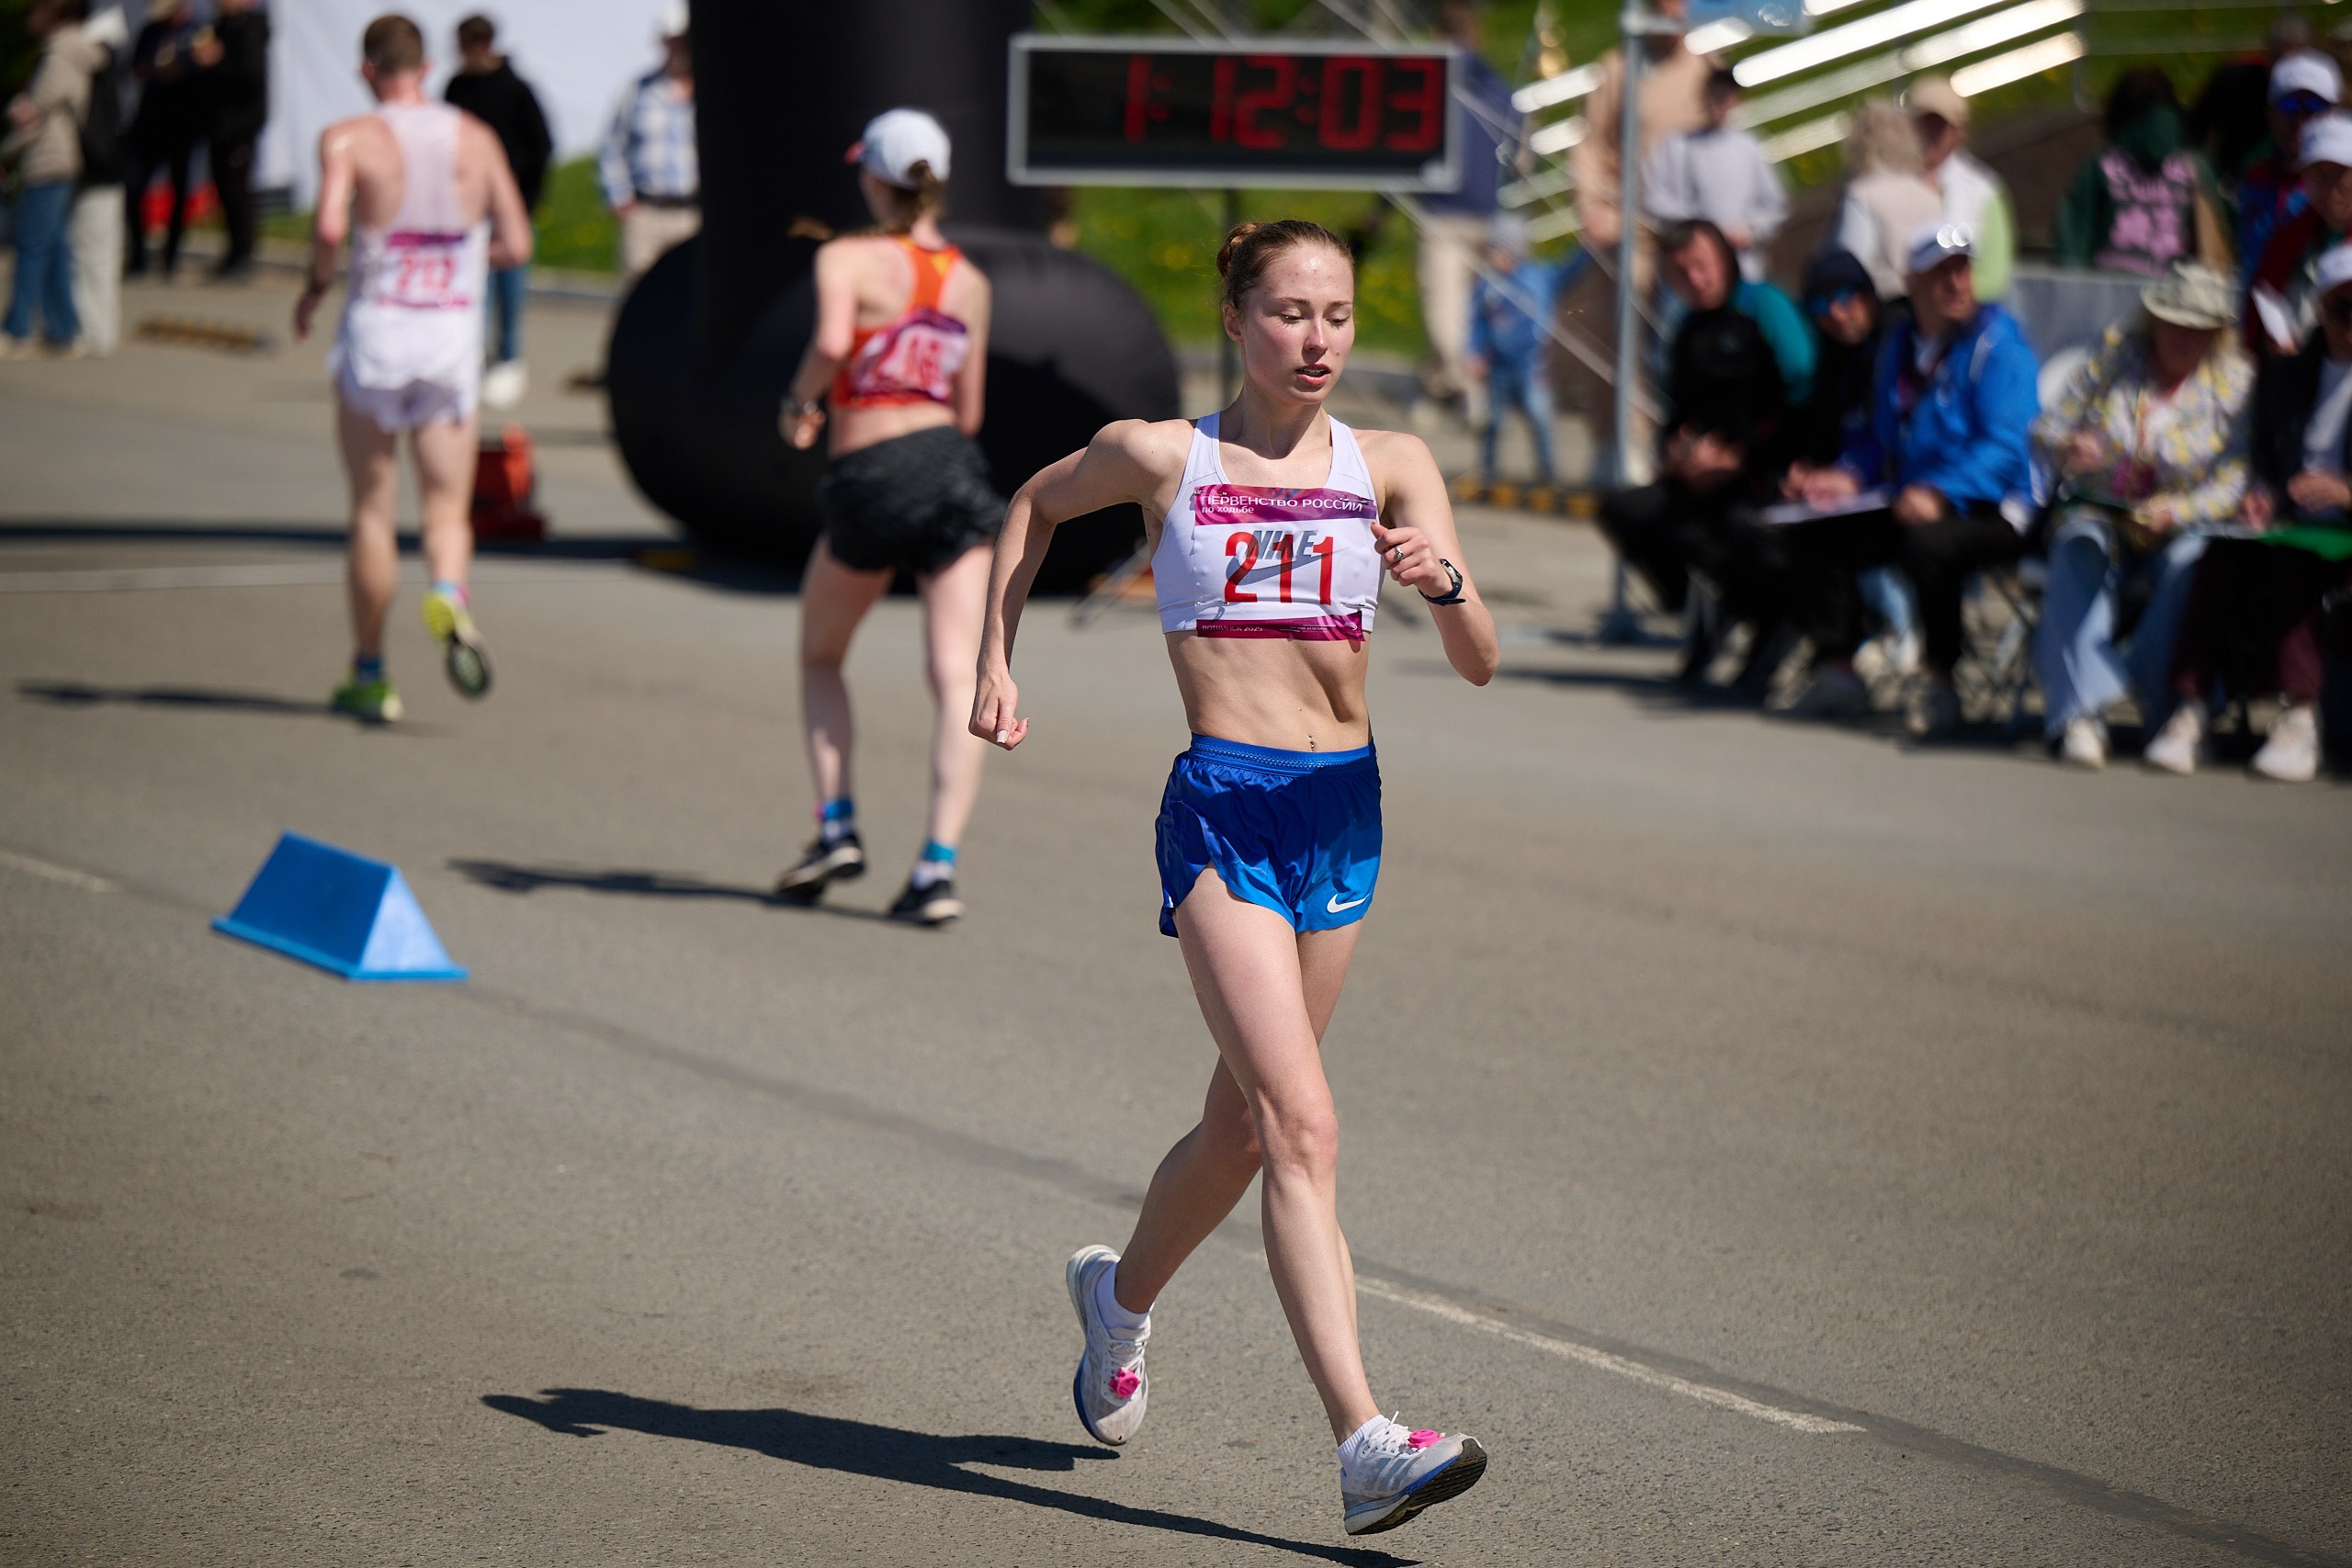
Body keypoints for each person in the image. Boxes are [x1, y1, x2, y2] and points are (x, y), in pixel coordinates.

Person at [970, 219, 1499, 1537]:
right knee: (1305, 1125)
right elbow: (1030, 503)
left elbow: (1481, 657)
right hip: (1223, 811)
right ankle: (1365, 1438)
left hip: (1344, 809)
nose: (1316, 338)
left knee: (1246, 1127)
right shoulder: (1167, 456)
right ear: (1236, 320)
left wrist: (1443, 584)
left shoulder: (1394, 461)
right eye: (1289, 312)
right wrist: (994, 656)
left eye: (1336, 315)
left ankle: (1119, 1298)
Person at [773, 109, 998, 927]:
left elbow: (834, 337)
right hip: (951, 470)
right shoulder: (971, 281)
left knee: (821, 653)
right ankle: (937, 866)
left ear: (872, 176)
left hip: (868, 474)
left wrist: (801, 402)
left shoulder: (845, 257)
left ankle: (836, 824)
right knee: (955, 678)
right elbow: (967, 411)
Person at [291, 13, 532, 725]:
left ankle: (369, 671)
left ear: (368, 70)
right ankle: (451, 593)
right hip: (448, 338)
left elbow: (332, 227)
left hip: (377, 335)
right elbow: (516, 240)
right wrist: (460, 258)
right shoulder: (476, 138)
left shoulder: (350, 137)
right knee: (446, 509)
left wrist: (313, 287)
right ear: (426, 68)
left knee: (371, 508)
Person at [1779, 221, 2041, 737]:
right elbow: (1882, 438)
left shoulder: (2000, 347)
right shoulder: (1899, 345)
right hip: (1911, 497)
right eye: (1940, 273)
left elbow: (2009, 448)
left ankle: (1941, 681)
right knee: (1813, 525)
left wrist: (1943, 493)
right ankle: (1839, 669)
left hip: (1996, 508)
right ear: (1911, 282)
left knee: (1928, 545)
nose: (1956, 284)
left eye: (1962, 269)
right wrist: (1847, 477)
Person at [2030, 263, 2252, 769]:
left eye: (2196, 327)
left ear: (2214, 332)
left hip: (2177, 526)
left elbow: (2237, 480)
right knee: (2076, 545)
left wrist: (2178, 509)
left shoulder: (2235, 384)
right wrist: (2070, 446)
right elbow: (2044, 430)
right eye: (2173, 322)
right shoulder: (2115, 357)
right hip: (2104, 515)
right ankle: (2081, 714)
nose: (2181, 335)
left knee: (2196, 562)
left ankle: (2164, 701)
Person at [2150, 241, 2352, 781]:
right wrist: (2261, 492)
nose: (2350, 325)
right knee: (2223, 555)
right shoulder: (2290, 377)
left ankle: (2301, 717)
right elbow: (2263, 459)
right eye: (2341, 310)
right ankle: (2190, 711)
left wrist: (2345, 492)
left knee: (2294, 565)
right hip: (2292, 525)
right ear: (2321, 313)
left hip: (2340, 535)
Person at [1598, 219, 1809, 686]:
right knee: (1627, 510)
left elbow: (1803, 392)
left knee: (1737, 528)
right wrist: (1678, 453)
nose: (1696, 279)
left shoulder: (1764, 306)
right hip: (1700, 476)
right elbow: (1677, 410)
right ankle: (1709, 611)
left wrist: (1741, 458)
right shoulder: (1688, 326)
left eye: (1702, 265)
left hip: (1762, 470)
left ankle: (1765, 621)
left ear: (1724, 260)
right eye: (1682, 272)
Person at [1558, 0, 1713, 472]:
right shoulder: (1621, 65)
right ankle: (1622, 444)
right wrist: (1593, 205)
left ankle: (1686, 448)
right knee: (1618, 336)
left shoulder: (1708, 71)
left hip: (1690, 239)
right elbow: (1590, 144)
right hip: (1630, 233)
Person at [1415, 0, 1522, 419]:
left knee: (1457, 316)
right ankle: (1457, 388)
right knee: (1450, 316)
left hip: (1474, 219)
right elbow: (1521, 158)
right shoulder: (1500, 92)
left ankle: (1450, 387)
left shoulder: (1445, 88)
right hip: (1452, 218)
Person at [447, 12, 552, 409]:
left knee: (509, 285)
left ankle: (508, 356)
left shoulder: (516, 90)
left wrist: (525, 200)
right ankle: (469, 356)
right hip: (467, 207)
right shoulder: (457, 87)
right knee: (470, 286)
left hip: (510, 205)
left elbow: (541, 146)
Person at [2054, 68, 2227, 277]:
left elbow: (2071, 243)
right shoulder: (2195, 167)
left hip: (2105, 298)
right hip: (2173, 302)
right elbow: (2220, 238)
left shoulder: (2102, 164)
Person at [3, 0, 98, 358]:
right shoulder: (73, 51)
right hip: (62, 159)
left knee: (30, 248)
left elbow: (33, 116)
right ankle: (65, 331)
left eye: (34, 10)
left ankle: (17, 329)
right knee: (56, 248)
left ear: (50, 13)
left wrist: (6, 152)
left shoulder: (59, 55)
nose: (29, 17)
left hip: (48, 160)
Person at [1645, 66, 1786, 283]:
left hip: (1744, 266)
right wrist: (1698, 230)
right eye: (1715, 95)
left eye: (1726, 97)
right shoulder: (1678, 145)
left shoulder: (1747, 147)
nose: (1720, 104)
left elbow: (1773, 204)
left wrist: (1750, 230)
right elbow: (1657, 200)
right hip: (1692, 268)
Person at [598, 0, 696, 287]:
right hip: (647, 214)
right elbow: (613, 147)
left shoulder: (713, 91)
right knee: (641, 296)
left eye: (686, 41)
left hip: (692, 214)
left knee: (692, 296)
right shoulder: (638, 91)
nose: (681, 49)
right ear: (664, 43)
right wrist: (619, 198)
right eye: (675, 41)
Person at [1466, 212, 1563, 486]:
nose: (1493, 257)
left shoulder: (1538, 278)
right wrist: (1474, 351)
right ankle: (1488, 469)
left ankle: (1547, 472)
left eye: (1498, 251)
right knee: (1493, 421)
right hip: (1498, 365)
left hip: (1532, 365)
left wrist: (1590, 247)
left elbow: (1568, 271)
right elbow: (1477, 321)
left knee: (1539, 417)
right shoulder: (1488, 284)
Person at [2231, 48, 2338, 283]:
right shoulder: (2253, 175)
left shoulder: (2345, 180)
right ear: (2270, 114)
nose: (2299, 120)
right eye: (2289, 105)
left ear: (2334, 113)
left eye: (2313, 106)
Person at [2248, 111, 2352, 355]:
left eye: (2341, 172)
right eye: (2319, 174)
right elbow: (2263, 298)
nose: (2330, 186)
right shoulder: (2289, 234)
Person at [1909, 74, 2016, 302]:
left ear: (1958, 129)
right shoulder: (1895, 185)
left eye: (1940, 124)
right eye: (1923, 122)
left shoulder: (1984, 190)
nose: (1930, 132)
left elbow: (1994, 277)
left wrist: (1950, 301)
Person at [1828, 96, 1944, 304]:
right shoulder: (1927, 193)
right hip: (1933, 299)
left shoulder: (1861, 194)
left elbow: (1852, 262)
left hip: (1893, 304)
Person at [121, 0, 202, 279]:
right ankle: (139, 254)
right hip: (149, 121)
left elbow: (202, 69)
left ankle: (170, 255)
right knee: (133, 186)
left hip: (182, 124)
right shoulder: (151, 31)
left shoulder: (197, 32)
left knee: (179, 190)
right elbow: (135, 66)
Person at [2191, 11, 2316, 189]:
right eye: (2279, 60)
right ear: (2267, 54)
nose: (2286, 72)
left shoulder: (2322, 94)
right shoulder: (2233, 80)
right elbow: (2196, 129)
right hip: (2232, 181)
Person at [67, 3, 126, 356]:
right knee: (100, 255)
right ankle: (101, 331)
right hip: (109, 170)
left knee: (89, 254)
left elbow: (94, 132)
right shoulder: (112, 72)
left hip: (97, 172)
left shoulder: (96, 74)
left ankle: (92, 332)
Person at [195, 0, 266, 281]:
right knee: (223, 190)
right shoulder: (220, 27)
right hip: (219, 125)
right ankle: (232, 251)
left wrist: (216, 62)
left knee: (238, 191)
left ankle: (243, 253)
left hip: (240, 126)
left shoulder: (250, 29)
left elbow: (249, 74)